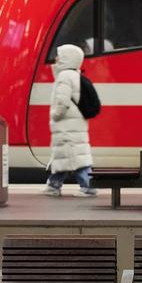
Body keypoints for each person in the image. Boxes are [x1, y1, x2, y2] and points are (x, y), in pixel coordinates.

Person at [43, 44, 96, 197]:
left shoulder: (64, 77)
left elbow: (62, 101)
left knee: (73, 157)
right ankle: (53, 185)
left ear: (67, 58)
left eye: (60, 56)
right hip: (74, 123)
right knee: (66, 156)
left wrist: (55, 115)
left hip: (66, 125)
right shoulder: (74, 75)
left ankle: (88, 187)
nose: (56, 59)